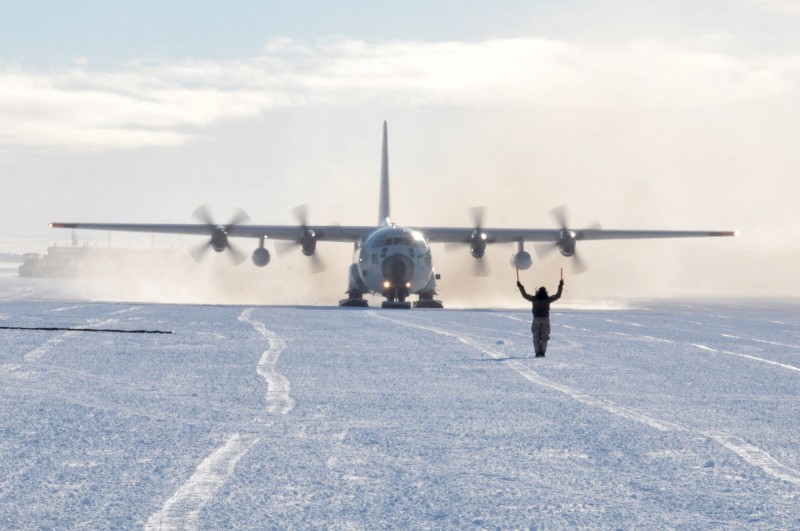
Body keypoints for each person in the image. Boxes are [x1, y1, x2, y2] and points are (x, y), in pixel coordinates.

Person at [517, 278, 564, 357]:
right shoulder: (548, 299)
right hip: (545, 319)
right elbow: (558, 295)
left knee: (536, 336)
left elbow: (525, 295)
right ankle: (543, 352)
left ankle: (537, 352)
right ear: (546, 292)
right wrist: (560, 285)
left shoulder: (534, 299)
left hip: (536, 319)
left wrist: (520, 286)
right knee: (544, 337)